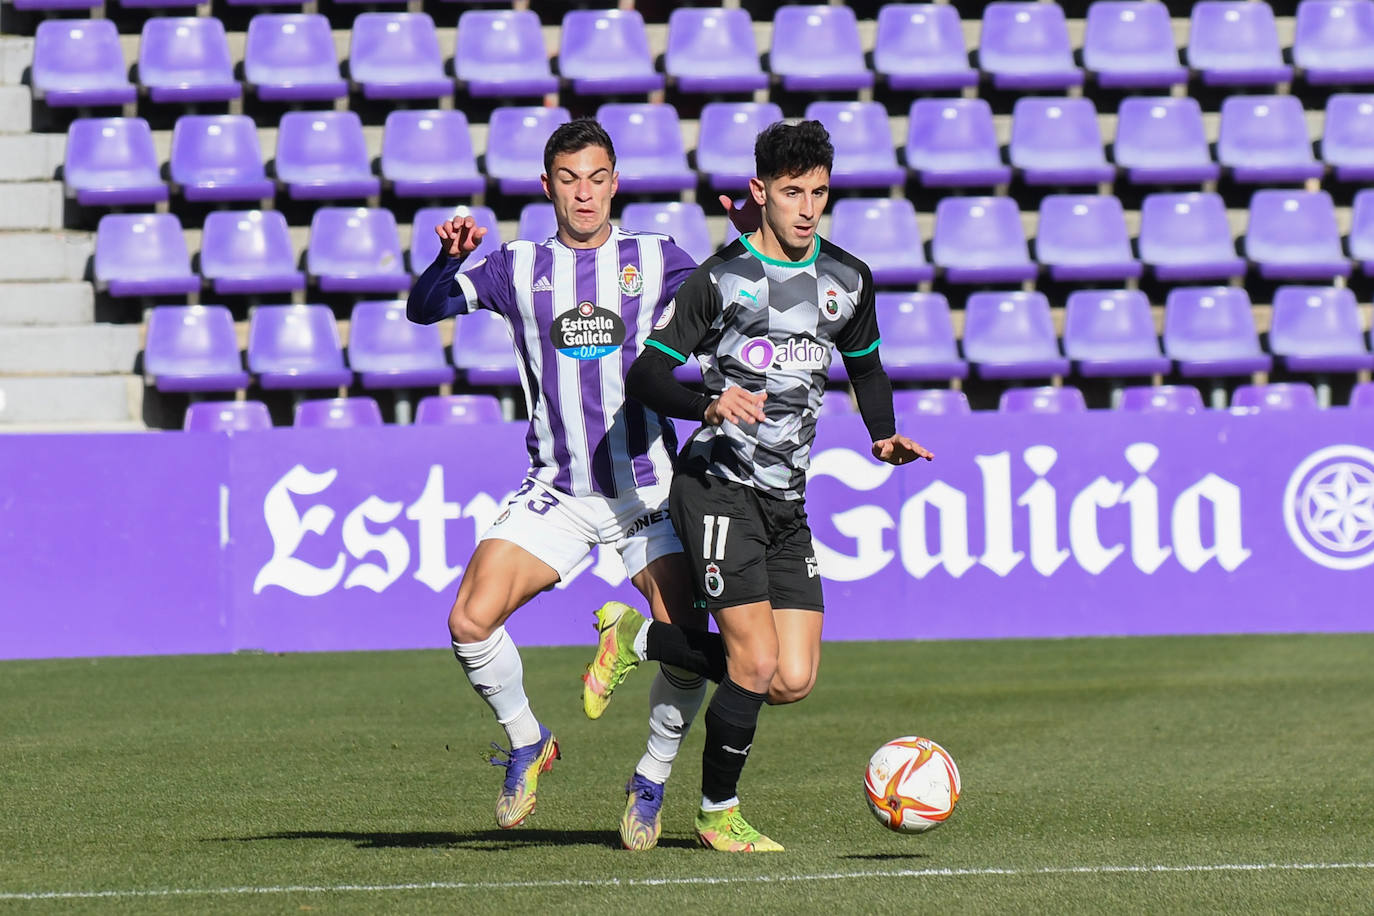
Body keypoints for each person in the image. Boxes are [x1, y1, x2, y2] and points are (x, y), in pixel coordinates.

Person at [586, 120, 934, 852]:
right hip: (717, 483)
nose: (807, 208)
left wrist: (883, 430)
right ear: (759, 193)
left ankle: (640, 637)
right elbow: (646, 374)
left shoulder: (847, 278)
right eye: (791, 193)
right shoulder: (721, 280)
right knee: (754, 661)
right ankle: (717, 813)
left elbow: (866, 364)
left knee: (792, 678)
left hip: (785, 500)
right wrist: (706, 402)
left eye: (819, 193)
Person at [406, 119, 718, 839]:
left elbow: (725, 298)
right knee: (468, 621)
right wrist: (442, 260)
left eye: (598, 178)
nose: (585, 195)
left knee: (685, 641)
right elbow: (426, 310)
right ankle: (527, 743)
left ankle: (651, 778)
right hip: (557, 491)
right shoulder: (515, 267)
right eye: (570, 180)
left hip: (645, 490)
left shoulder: (657, 257)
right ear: (547, 186)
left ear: (616, 181)